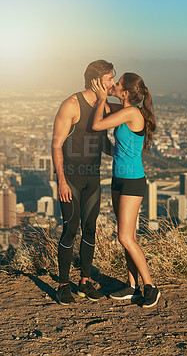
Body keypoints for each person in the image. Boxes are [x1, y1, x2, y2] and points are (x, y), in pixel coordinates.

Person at [52, 60, 121, 305]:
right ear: (95, 81)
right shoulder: (71, 104)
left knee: (90, 228)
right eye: (110, 78)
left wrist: (122, 152)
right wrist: (60, 180)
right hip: (71, 177)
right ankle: (62, 284)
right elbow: (56, 144)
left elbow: (103, 139)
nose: (113, 82)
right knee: (71, 228)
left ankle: (84, 281)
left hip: (93, 176)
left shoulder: (104, 106)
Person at [92, 72, 160, 308]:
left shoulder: (132, 112)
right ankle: (132, 287)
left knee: (124, 236)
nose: (115, 85)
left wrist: (101, 99)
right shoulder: (124, 109)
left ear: (127, 92)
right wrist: (100, 93)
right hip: (118, 178)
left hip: (132, 181)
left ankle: (150, 286)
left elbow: (97, 123)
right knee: (127, 237)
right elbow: (101, 111)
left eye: (118, 83)